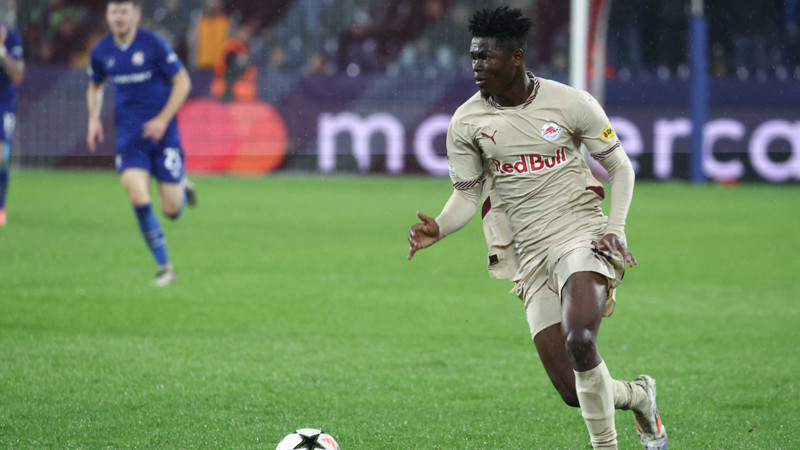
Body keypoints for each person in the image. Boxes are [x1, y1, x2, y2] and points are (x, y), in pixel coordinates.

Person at [407, 7, 667, 450]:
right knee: (572, 390)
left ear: (516, 57)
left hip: (581, 234)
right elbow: (467, 195)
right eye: (473, 57)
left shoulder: (571, 103)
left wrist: (616, 228)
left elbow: (620, 168)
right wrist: (441, 227)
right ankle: (639, 396)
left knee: (580, 340)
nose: (476, 66)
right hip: (529, 255)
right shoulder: (467, 122)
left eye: (486, 57)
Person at [86, 0, 196, 286]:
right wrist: (93, 118)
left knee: (172, 210)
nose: (119, 17)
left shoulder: (153, 44)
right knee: (137, 195)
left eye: (124, 11)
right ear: (107, 16)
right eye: (114, 11)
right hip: (130, 138)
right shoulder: (101, 51)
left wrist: (162, 119)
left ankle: (182, 186)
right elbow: (95, 85)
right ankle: (165, 268)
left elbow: (183, 83)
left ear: (136, 15)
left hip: (164, 137)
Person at [0, 24, 24, 227]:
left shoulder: (12, 38)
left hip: (3, 103)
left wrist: (1, 51)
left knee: (1, 156)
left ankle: (1, 205)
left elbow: (17, 74)